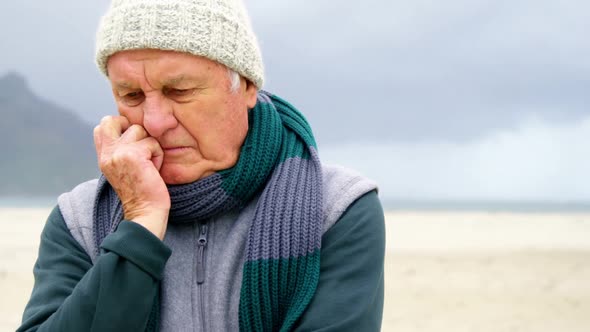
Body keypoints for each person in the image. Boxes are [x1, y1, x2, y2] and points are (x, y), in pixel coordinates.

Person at [18, 0, 385, 331]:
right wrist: (141, 222)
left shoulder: (336, 209)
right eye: (131, 95)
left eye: (180, 92)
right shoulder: (79, 220)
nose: (156, 121)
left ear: (246, 86)